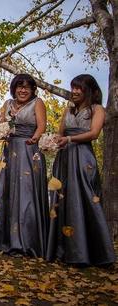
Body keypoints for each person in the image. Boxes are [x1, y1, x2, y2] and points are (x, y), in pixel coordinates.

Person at [46, 74, 115, 265]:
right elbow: (60, 133)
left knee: (85, 198)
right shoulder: (68, 111)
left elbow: (94, 133)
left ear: (90, 91)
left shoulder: (97, 109)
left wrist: (68, 139)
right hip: (65, 158)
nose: (74, 91)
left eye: (79, 88)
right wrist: (51, 143)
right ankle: (64, 250)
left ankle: (93, 253)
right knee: (64, 199)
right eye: (73, 87)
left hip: (83, 158)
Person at [0, 73, 49, 257]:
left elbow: (42, 125)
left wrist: (35, 138)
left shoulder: (37, 103)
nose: (23, 90)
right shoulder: (7, 104)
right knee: (7, 192)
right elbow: (1, 124)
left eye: (27, 87)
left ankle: (27, 242)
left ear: (33, 90)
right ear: (14, 88)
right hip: (9, 151)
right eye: (19, 86)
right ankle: (5, 240)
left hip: (28, 149)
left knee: (26, 193)